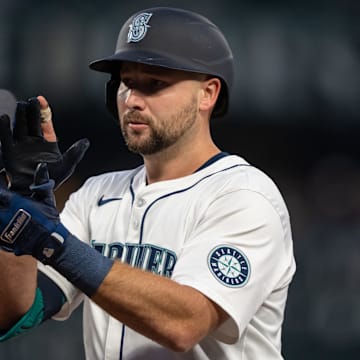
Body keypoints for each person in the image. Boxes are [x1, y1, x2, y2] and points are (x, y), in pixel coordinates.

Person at [0, 7, 296, 360]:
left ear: (208, 93)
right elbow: (19, 310)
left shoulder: (243, 196)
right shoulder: (96, 194)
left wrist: (52, 242)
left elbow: (184, 324)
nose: (133, 100)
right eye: (126, 82)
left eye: (155, 84)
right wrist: (15, 231)